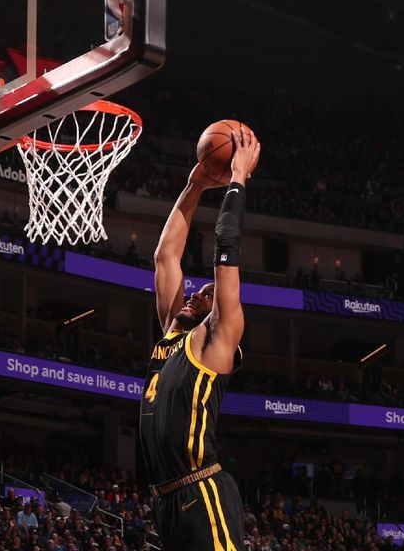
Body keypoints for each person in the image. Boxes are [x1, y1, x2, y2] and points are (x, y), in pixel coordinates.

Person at [139, 126, 260, 550]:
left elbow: (225, 251)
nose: (196, 294)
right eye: (196, 291)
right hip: (165, 501)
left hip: (202, 491)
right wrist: (194, 184)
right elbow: (165, 256)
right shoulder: (172, 335)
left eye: (207, 294)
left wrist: (238, 178)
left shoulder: (216, 340)